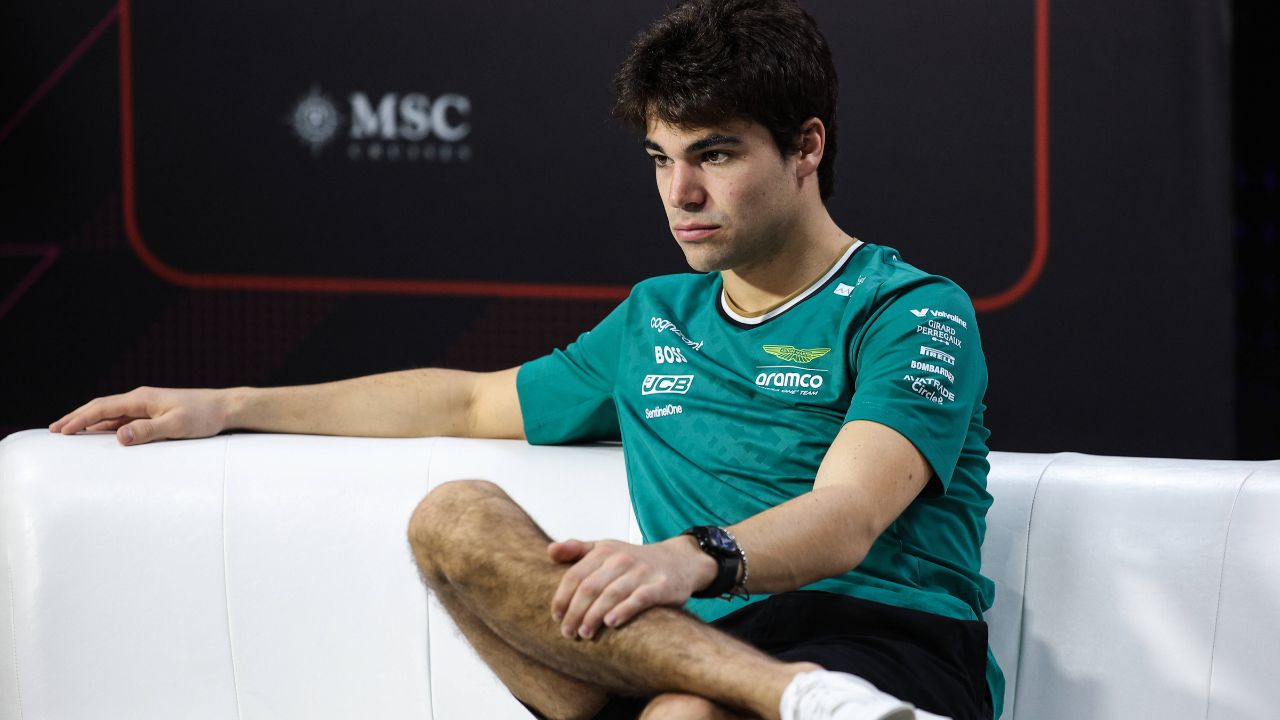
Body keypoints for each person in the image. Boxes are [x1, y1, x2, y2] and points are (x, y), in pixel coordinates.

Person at [49, 1, 1000, 718]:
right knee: (451, 518)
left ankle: (800, 697)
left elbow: (845, 520)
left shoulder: (910, 309)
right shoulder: (654, 319)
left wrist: (689, 558)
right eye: (660, 159)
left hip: (892, 649)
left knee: (684, 714)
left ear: (806, 149)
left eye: (714, 154)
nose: (683, 193)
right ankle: (786, 695)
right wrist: (230, 402)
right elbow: (464, 404)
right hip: (689, 645)